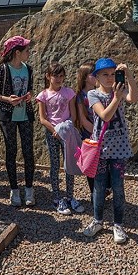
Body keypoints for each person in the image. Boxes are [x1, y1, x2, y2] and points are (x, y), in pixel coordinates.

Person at [82, 58, 138, 244]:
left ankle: (118, 224)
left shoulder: (120, 90)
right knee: (99, 186)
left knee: (118, 187)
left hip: (120, 147)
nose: (109, 77)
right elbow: (105, 115)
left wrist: (128, 76)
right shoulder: (92, 94)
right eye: (104, 74)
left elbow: (134, 98)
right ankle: (97, 220)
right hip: (101, 147)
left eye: (113, 74)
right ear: (96, 77)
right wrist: (116, 97)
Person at [0, 35, 36, 207]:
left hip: (25, 115)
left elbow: (30, 88)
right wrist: (7, 99)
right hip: (8, 116)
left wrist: (29, 95)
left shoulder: (29, 69)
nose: (29, 52)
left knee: (28, 151)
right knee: (11, 151)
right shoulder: (2, 70)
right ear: (17, 52)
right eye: (26, 50)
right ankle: (14, 190)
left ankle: (29, 189)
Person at [36, 62, 83, 215]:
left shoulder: (68, 93)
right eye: (55, 75)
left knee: (69, 164)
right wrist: (54, 130)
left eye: (61, 76)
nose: (59, 79)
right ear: (48, 76)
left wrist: (66, 127)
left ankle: (70, 196)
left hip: (67, 132)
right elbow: (42, 118)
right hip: (52, 133)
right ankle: (56, 197)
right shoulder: (43, 95)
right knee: (55, 165)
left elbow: (73, 114)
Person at [72, 61, 98, 198]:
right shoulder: (80, 96)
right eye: (93, 74)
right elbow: (82, 119)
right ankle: (94, 192)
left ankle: (104, 189)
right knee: (91, 164)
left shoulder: (100, 92)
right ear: (85, 77)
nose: (97, 76)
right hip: (89, 134)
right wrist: (96, 132)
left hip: (102, 132)